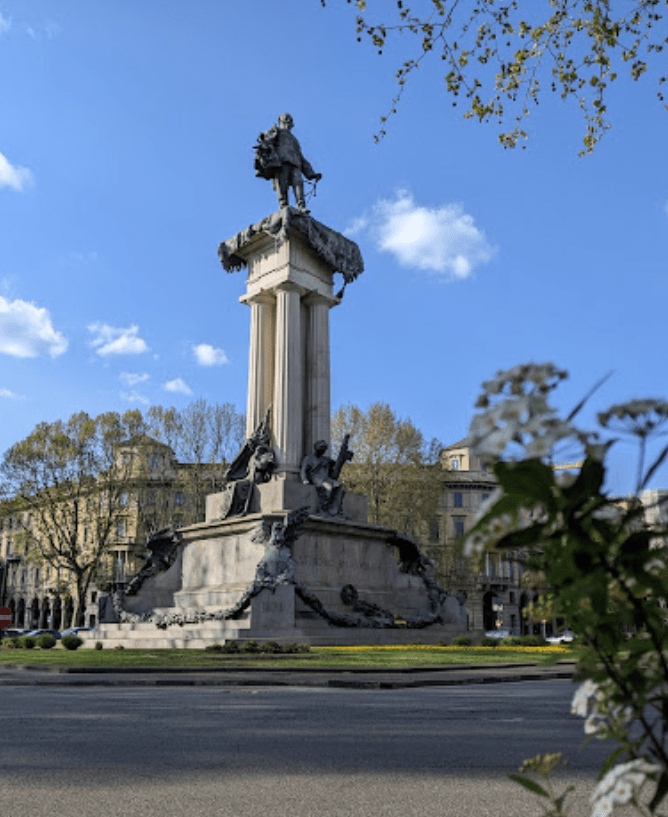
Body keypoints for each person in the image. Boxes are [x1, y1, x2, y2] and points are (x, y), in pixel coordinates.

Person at [254, 113, 322, 212]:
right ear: (280, 121)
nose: (288, 121)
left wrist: (311, 174)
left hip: (295, 164)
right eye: (285, 119)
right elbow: (266, 141)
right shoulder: (275, 132)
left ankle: (301, 206)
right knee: (282, 185)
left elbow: (301, 158)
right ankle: (283, 206)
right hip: (281, 163)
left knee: (298, 183)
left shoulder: (294, 140)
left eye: (289, 120)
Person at [300, 440, 347, 516]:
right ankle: (323, 508)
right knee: (328, 487)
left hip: (326, 478)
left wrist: (342, 458)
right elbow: (303, 470)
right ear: (316, 448)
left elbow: (336, 467)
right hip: (316, 478)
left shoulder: (326, 460)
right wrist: (305, 480)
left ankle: (335, 510)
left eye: (325, 448)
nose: (323, 450)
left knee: (339, 486)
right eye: (321, 447)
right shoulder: (309, 458)